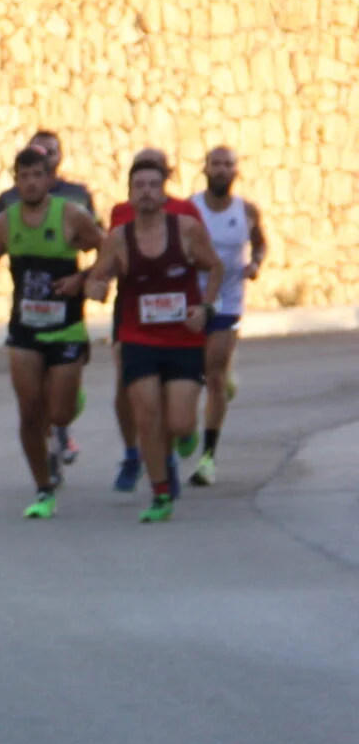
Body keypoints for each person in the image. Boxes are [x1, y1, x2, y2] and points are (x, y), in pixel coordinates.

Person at [88, 153, 225, 523]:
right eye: (139, 186)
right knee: (147, 416)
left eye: (153, 185)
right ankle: (161, 493)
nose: (147, 193)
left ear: (164, 192)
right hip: (139, 337)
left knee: (178, 422)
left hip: (182, 339)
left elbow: (215, 266)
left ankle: (183, 437)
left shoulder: (186, 229)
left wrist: (206, 308)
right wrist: (96, 287)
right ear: (129, 194)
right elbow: (97, 277)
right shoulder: (119, 237)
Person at [0, 145, 103, 518]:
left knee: (59, 414)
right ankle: (43, 487)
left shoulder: (71, 216)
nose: (31, 183)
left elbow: (107, 250)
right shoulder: (5, 223)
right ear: (15, 181)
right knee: (30, 412)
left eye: (38, 176)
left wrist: (81, 278)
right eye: (24, 176)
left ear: (50, 179)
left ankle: (69, 405)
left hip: (66, 329)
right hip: (25, 331)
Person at [104, 147, 205, 491]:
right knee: (135, 391)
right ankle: (140, 458)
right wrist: (95, 280)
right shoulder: (120, 213)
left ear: (165, 179)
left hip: (178, 318)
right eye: (139, 178)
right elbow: (110, 259)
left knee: (173, 410)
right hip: (132, 310)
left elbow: (202, 259)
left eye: (155, 176)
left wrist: (202, 306)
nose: (146, 188)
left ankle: (174, 443)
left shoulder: (186, 214)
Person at [187, 146, 267, 485]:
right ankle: (183, 428)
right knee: (188, 375)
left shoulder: (246, 210)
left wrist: (255, 264)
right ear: (204, 169)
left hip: (228, 301)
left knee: (214, 374)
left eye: (228, 165)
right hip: (192, 299)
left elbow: (261, 244)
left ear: (236, 171)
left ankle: (208, 457)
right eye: (215, 164)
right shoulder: (190, 210)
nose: (221, 170)